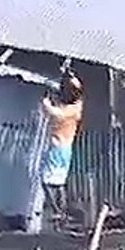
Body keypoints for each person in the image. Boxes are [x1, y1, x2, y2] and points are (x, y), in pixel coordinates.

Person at [40, 70, 84, 230]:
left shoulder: (69, 110)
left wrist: (46, 103)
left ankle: (57, 211)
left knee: (47, 180)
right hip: (65, 148)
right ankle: (61, 212)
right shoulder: (77, 106)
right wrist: (69, 74)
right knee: (59, 182)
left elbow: (56, 113)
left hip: (58, 146)